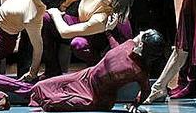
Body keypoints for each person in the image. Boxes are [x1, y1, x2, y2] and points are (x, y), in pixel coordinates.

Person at [30, 29, 167, 112]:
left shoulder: (138, 70)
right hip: (85, 75)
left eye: (144, 34)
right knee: (40, 87)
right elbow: (116, 50)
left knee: (50, 103)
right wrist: (108, 33)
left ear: (142, 44)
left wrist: (135, 104)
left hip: (96, 97)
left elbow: (146, 90)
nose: (141, 32)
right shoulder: (130, 44)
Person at [42, 0, 134, 77]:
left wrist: (55, 13)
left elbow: (65, 32)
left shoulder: (102, 19)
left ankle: (97, 73)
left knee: (78, 44)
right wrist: (63, 5)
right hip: (84, 22)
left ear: (110, 0)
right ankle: (52, 71)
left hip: (100, 38)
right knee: (46, 19)